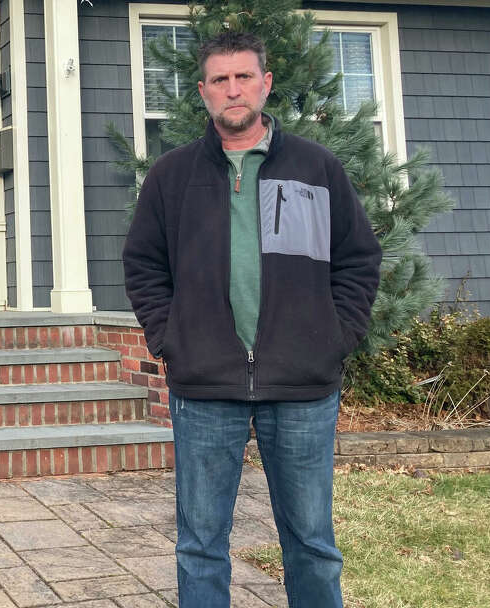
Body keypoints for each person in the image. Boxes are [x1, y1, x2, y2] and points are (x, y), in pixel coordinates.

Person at [122, 30, 382, 607]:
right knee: (200, 545)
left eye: (244, 77)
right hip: (205, 384)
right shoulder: (172, 176)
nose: (232, 90)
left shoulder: (317, 168)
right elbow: (143, 265)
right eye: (220, 79)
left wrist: (334, 338)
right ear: (203, 91)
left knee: (312, 543)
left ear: (264, 84)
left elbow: (359, 260)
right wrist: (172, 339)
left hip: (302, 384)